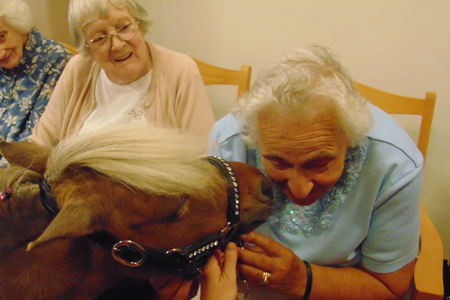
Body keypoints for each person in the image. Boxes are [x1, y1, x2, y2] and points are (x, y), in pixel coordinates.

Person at [205, 45, 422, 300]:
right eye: (278, 162)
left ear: (351, 139)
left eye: (319, 164)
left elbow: (389, 286)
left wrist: (302, 280)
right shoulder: (229, 141)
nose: (300, 189)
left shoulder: (394, 163)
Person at [29, 0, 215, 147]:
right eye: (100, 39)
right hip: (75, 189)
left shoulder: (180, 71)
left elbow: (203, 158)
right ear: (89, 51)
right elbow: (41, 142)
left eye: (124, 27)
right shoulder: (78, 70)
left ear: (140, 24)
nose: (117, 45)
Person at [0, 0, 71, 148]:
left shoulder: (56, 61)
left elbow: (38, 146)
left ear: (16, 23)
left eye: (2, 36)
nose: (1, 54)